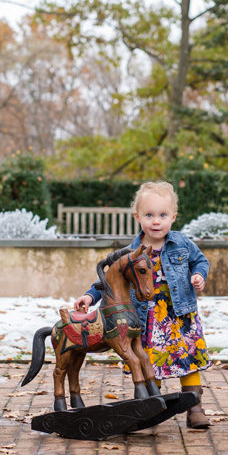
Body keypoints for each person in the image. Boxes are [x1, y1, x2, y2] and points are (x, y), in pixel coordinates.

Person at [74, 181, 212, 429]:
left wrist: (199, 275)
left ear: (173, 217)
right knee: (149, 359)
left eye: (162, 215)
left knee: (187, 359)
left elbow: (201, 262)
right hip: (147, 318)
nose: (156, 221)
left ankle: (194, 407)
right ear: (138, 217)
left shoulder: (182, 244)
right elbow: (108, 279)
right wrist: (89, 297)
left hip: (179, 316)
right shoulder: (131, 252)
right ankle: (151, 404)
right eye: (149, 215)